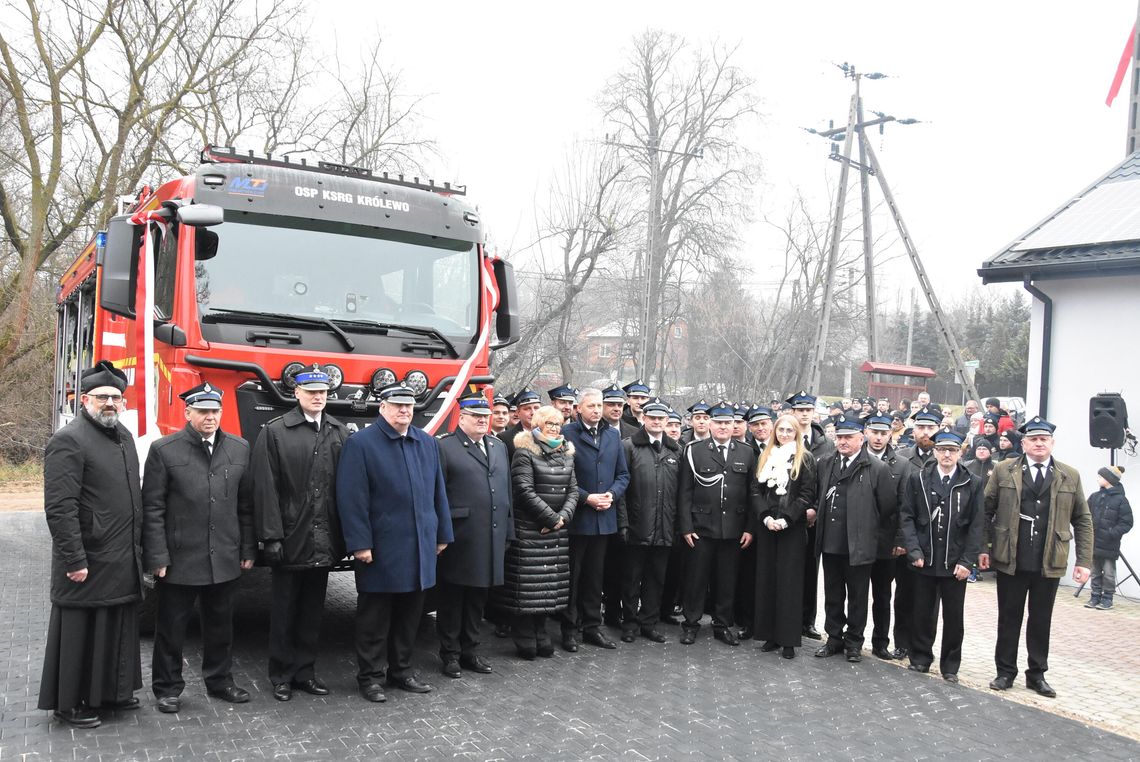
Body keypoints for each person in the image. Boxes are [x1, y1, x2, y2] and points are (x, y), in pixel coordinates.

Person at [39, 361, 143, 729]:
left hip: (120, 557)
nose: (111, 403)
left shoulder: (125, 437)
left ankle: (112, 693)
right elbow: (60, 507)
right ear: (85, 399)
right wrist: (74, 558)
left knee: (115, 625)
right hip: (88, 557)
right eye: (102, 397)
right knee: (80, 631)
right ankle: (69, 704)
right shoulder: (68, 440)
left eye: (116, 397)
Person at [336, 383, 454, 702]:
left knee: (409, 616)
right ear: (382, 407)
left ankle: (401, 670)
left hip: (420, 545)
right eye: (397, 405)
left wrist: (443, 533)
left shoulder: (426, 443)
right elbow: (352, 498)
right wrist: (360, 543)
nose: (404, 411)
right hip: (382, 547)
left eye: (409, 406)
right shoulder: (360, 444)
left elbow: (438, 492)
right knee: (375, 617)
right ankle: (370, 677)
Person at [142, 382, 255, 714]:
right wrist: (157, 556)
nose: (210, 417)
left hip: (223, 554)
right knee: (172, 628)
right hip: (180, 557)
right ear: (187, 412)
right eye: (203, 411)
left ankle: (220, 681)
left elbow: (246, 505)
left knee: (220, 625)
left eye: (215, 411)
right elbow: (153, 508)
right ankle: (167, 688)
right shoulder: (165, 450)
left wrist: (248, 548)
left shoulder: (239, 448)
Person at [252, 365, 349, 702]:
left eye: (322, 392)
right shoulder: (275, 432)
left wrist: (344, 536)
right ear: (297, 393)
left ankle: (305, 672)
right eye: (311, 392)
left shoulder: (338, 431)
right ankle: (280, 675)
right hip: (291, 536)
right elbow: (266, 488)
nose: (318, 397)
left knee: (312, 610)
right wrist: (271, 537)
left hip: (324, 539)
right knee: (284, 611)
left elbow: (345, 490)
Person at [980, 417, 1093, 698]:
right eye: (1033, 439)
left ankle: (1037, 674)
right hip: (1011, 557)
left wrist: (1084, 561)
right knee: (1009, 618)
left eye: (1044, 439)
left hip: (1049, 560)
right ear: (1024, 443)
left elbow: (1083, 519)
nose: (1039, 443)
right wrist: (983, 548)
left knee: (1041, 619)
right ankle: (1005, 672)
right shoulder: (1004, 470)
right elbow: (985, 510)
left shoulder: (1069, 475)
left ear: (1052, 443)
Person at [435, 392, 513, 676]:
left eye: (486, 416)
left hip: (491, 535)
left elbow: (506, 494)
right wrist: (440, 535)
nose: (483, 421)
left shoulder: (497, 445)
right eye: (476, 416)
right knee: (453, 598)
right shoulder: (445, 446)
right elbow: (438, 495)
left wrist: (509, 532)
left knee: (478, 599)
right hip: (460, 536)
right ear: (462, 417)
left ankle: (470, 650)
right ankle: (450, 654)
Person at [492, 405, 578, 659]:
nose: (554, 428)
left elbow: (573, 490)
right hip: (530, 529)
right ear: (538, 425)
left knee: (549, 585)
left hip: (555, 532)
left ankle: (541, 632)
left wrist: (562, 518)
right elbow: (523, 490)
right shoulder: (524, 452)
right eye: (549, 423)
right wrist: (551, 518)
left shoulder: (567, 453)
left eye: (557, 424)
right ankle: (525, 634)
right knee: (527, 585)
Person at [899, 429, 984, 683]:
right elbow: (907, 516)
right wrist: (914, 551)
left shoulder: (973, 482)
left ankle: (950, 665)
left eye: (952, 450)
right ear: (934, 451)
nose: (947, 455)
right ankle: (920, 658)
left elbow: (977, 525)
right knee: (922, 612)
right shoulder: (918, 478)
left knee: (954, 618)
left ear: (960, 453)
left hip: (955, 562)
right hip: (925, 559)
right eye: (942, 450)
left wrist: (967, 561)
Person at [813, 416, 898, 663]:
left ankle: (854, 642)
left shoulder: (877, 468)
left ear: (861, 439)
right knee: (833, 594)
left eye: (848, 437)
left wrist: (870, 537)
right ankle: (834, 638)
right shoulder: (826, 463)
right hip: (831, 542)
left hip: (859, 545)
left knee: (858, 597)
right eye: (839, 437)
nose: (843, 441)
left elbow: (887, 508)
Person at [677, 402, 757, 646]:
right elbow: (684, 493)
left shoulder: (747, 452)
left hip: (733, 529)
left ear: (734, 425)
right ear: (710, 424)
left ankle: (722, 625)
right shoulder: (694, 450)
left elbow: (753, 493)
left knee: (726, 580)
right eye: (719, 422)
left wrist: (750, 528)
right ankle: (691, 623)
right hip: (701, 528)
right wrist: (686, 527)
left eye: (728, 423)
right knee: (696, 579)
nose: (723, 427)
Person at [560, 388, 630, 650]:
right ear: (579, 408)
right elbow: (562, 475)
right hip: (579, 517)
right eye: (591, 406)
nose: (597, 410)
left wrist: (611, 495)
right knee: (573, 577)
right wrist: (586, 497)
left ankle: (592, 627)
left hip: (604, 517)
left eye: (599, 405)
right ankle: (569, 628)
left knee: (595, 577)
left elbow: (623, 475)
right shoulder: (568, 434)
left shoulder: (612, 436)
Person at [751, 414, 817, 659]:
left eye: (790, 430)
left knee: (789, 584)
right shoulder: (766, 456)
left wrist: (787, 518)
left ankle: (788, 640)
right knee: (767, 579)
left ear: (797, 432)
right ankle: (769, 635)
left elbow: (807, 494)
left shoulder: (805, 458)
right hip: (768, 526)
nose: (785, 434)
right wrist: (766, 517)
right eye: (781, 430)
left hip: (792, 527)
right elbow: (756, 491)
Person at [617, 398, 680, 643]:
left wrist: (676, 525)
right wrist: (623, 523)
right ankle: (629, 623)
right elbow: (621, 489)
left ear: (667, 421)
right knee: (632, 578)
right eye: (652, 417)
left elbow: (680, 492)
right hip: (637, 525)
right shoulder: (629, 447)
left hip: (665, 527)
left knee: (656, 578)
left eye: (661, 418)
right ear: (643, 418)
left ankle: (648, 622)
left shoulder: (676, 450)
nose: (656, 422)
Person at [863, 414, 915, 661]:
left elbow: (905, 506)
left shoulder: (902, 464)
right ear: (866, 432)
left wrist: (899, 540)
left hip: (886, 542)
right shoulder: (857, 458)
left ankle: (880, 642)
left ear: (890, 435)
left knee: (882, 596)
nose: (879, 437)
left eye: (883, 433)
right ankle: (852, 639)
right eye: (874, 432)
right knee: (857, 593)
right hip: (859, 539)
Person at [786, 390, 834, 641]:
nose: (804, 414)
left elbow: (826, 480)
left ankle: (808, 621)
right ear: (792, 413)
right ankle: (788, 617)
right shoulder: (785, 437)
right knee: (789, 568)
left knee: (810, 570)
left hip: (814, 515)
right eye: (799, 410)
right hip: (789, 514)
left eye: (808, 410)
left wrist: (815, 508)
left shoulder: (824, 442)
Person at [1085, 466, 1133, 611]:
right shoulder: (1094, 496)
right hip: (1094, 542)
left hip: (1109, 544)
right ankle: (1095, 596)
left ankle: (1107, 598)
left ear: (1109, 479)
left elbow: (1127, 522)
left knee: (1109, 573)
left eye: (1100, 476)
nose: (1097, 479)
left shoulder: (1121, 500)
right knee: (1094, 571)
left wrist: (1112, 533)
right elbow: (1085, 516)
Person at [503, 388, 541, 462]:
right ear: (517, 412)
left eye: (536, 408)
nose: (533, 412)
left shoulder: (549, 434)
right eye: (527, 409)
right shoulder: (505, 438)